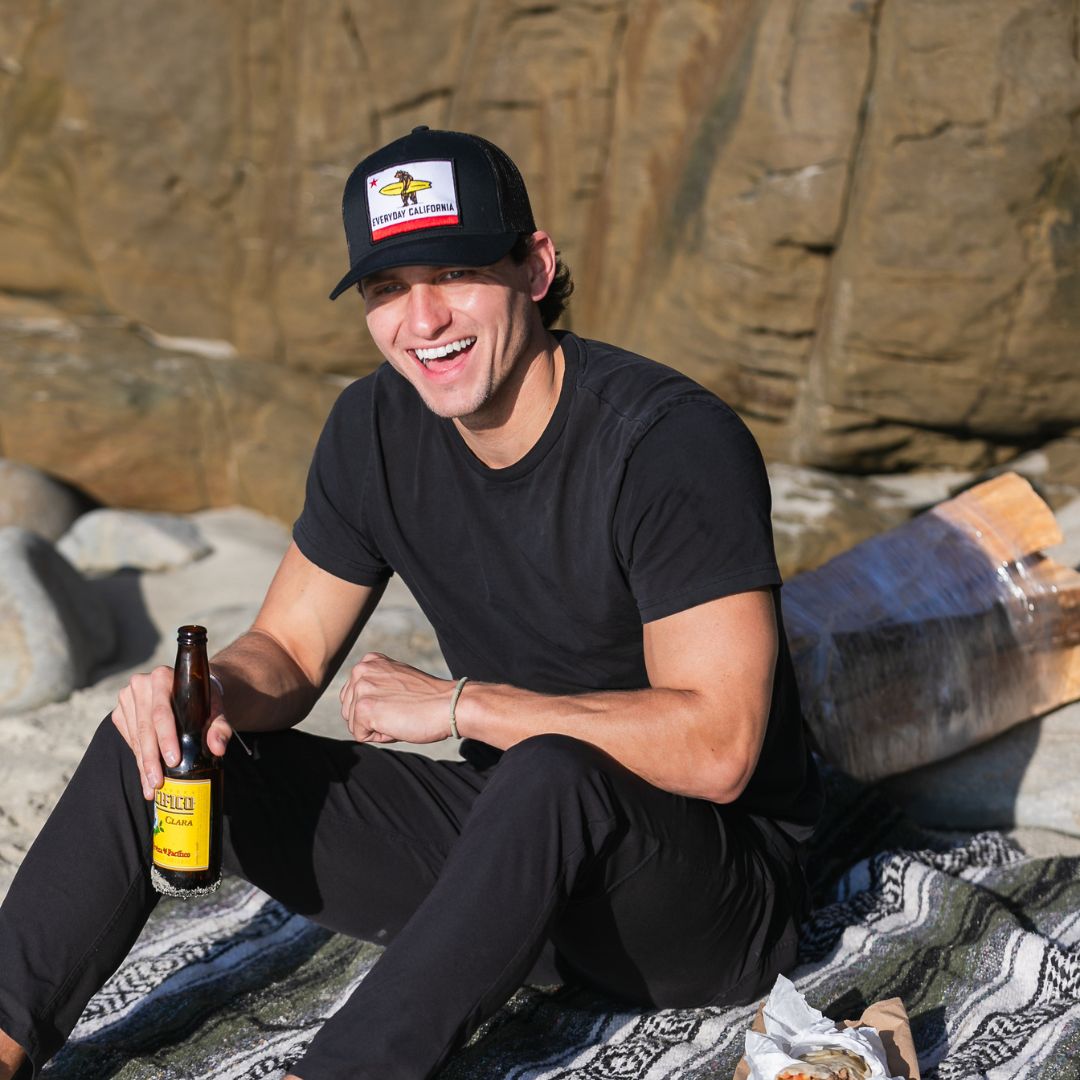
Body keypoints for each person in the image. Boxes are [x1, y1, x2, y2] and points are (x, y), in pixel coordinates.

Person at [0, 126, 822, 1080]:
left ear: (535, 267)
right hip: (506, 870)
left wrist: (461, 705)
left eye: (456, 273)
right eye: (388, 290)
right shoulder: (374, 429)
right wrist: (207, 693)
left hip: (704, 900)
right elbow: (290, 653)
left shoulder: (669, 443)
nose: (422, 320)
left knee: (550, 771)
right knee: (153, 735)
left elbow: (720, 748)